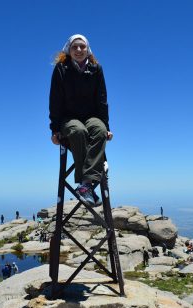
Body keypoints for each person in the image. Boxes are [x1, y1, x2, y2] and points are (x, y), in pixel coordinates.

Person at [49, 34, 112, 207]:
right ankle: (93, 175)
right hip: (68, 119)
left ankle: (85, 185)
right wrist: (55, 129)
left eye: (82, 47)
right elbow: (55, 100)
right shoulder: (61, 69)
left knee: (98, 130)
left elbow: (102, 100)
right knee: (78, 131)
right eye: (75, 47)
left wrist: (106, 126)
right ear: (68, 49)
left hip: (91, 117)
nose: (78, 50)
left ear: (88, 49)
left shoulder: (96, 69)